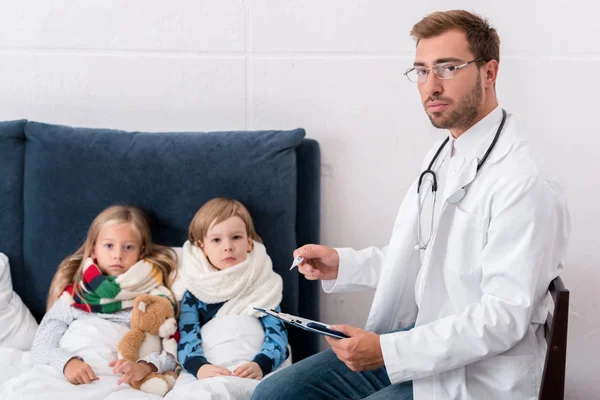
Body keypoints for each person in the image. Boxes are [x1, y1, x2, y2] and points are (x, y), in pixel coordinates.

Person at [252, 9, 570, 400]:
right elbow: (429, 258)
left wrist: (388, 350)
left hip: (478, 373)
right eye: (421, 71)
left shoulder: (524, 182)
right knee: (275, 395)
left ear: (489, 73)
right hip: (425, 343)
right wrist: (345, 263)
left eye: (448, 68)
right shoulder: (444, 154)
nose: (430, 86)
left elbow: (503, 318)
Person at [31, 205, 179, 387]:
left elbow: (171, 356)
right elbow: (41, 346)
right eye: (109, 245)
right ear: (94, 249)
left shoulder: (151, 299)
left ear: (141, 252)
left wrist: (145, 367)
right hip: (66, 378)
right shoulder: (74, 296)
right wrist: (66, 363)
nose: (117, 255)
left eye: (128, 247)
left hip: (117, 382)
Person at [176, 197, 289, 381]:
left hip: (253, 364)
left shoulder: (263, 285)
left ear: (249, 242)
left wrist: (261, 364)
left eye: (236, 237)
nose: (228, 247)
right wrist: (200, 367)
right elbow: (187, 337)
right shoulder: (195, 291)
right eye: (216, 240)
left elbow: (277, 335)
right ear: (202, 248)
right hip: (212, 366)